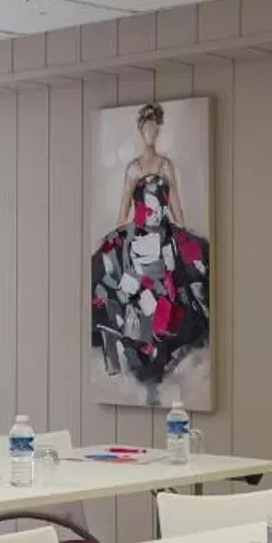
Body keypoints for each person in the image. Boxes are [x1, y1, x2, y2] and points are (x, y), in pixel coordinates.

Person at [91, 101, 211, 407]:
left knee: (172, 291)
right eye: (146, 127)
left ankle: (160, 358)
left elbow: (176, 206)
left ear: (158, 130)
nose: (151, 132)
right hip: (140, 234)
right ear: (140, 130)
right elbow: (123, 211)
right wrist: (122, 241)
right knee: (131, 292)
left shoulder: (166, 166)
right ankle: (138, 357)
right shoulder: (132, 169)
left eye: (155, 127)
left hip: (163, 234)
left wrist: (181, 231)